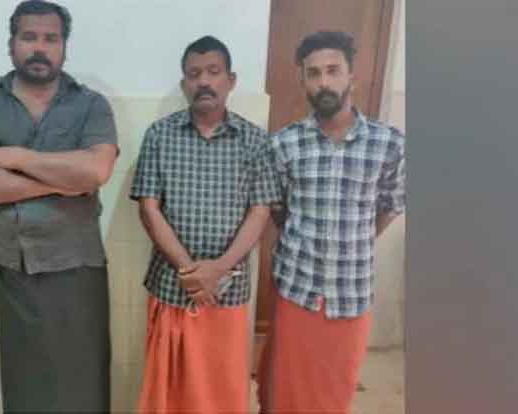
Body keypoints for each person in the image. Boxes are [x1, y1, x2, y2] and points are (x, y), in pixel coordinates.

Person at [0, 1, 119, 412]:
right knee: (19, 385)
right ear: (11, 44)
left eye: (51, 38)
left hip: (77, 263)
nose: (40, 47)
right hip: (7, 267)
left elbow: (96, 171)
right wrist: (62, 182)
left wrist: (17, 159)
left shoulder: (91, 104)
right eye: (29, 37)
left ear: (64, 47)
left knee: (81, 378)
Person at [258, 30, 406, 414]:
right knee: (287, 386)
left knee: (335, 389)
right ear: (303, 81)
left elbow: (389, 206)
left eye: (333, 70)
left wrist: (353, 240)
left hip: (350, 289)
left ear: (351, 76)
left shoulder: (389, 144)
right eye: (314, 73)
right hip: (297, 285)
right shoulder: (284, 144)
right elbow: (278, 210)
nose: (324, 82)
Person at [130, 35, 280, 414]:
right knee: (170, 391)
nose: (204, 82)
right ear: (184, 84)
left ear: (231, 80)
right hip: (172, 285)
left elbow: (260, 212)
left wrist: (218, 270)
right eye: (194, 74)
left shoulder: (255, 141)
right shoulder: (160, 135)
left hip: (228, 290)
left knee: (220, 387)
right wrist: (190, 270)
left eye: (213, 72)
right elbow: (149, 209)